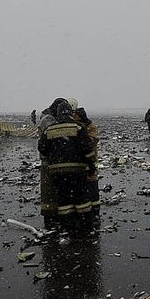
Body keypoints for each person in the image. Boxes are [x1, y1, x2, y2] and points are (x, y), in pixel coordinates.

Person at [37, 99, 97, 231]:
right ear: (70, 113)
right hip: (76, 170)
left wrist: (54, 155)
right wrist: (91, 166)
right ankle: (85, 227)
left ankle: (68, 228)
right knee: (82, 200)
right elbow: (87, 149)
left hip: (57, 172)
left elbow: (42, 148)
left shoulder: (49, 129)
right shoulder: (78, 127)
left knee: (64, 201)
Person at [73, 102, 102, 226]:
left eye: (76, 115)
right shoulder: (77, 127)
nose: (74, 117)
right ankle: (85, 214)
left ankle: (94, 213)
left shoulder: (90, 126)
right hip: (81, 161)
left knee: (92, 186)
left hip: (90, 160)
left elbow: (91, 141)